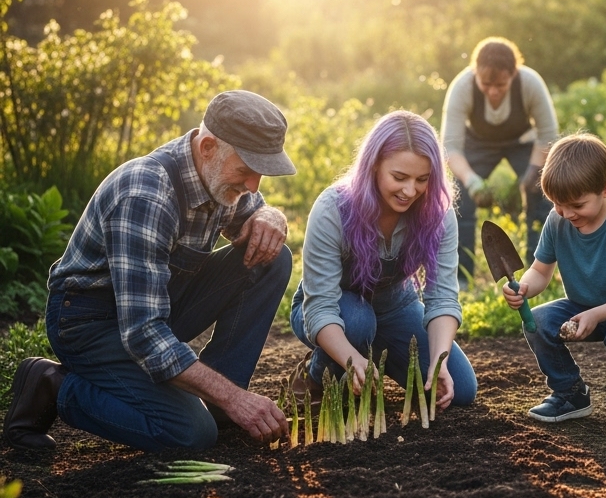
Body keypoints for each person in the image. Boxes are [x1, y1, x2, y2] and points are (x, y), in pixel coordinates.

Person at [3, 90, 296, 453]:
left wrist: (270, 216)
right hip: (91, 323)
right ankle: (53, 385)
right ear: (207, 148)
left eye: (261, 174)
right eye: (247, 170)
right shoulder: (146, 195)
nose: (253, 185)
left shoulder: (219, 176)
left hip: (157, 305)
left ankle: (220, 405)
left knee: (273, 257)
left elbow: (252, 214)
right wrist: (237, 398)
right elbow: (144, 334)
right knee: (190, 433)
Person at [289, 110, 477, 412]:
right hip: (337, 309)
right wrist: (352, 360)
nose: (410, 191)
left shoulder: (438, 213)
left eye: (422, 179)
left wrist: (438, 361)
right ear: (374, 165)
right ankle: (316, 375)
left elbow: (442, 297)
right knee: (358, 320)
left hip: (395, 306)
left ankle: (373, 351)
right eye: (399, 177)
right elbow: (320, 306)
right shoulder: (333, 209)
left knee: (461, 390)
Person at [502, 133, 606, 436]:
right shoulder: (557, 220)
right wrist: (523, 288)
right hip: (584, 304)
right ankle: (570, 394)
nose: (567, 213)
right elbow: (540, 270)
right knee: (537, 321)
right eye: (557, 204)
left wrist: (598, 314)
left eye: (576, 204)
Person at [440, 37, 558, 288]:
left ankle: (539, 273)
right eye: (486, 84)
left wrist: (533, 174)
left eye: (501, 84)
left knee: (542, 192)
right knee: (459, 196)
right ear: (475, 73)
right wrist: (472, 182)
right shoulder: (462, 87)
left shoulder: (530, 83)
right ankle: (462, 277)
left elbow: (548, 136)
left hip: (523, 142)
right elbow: (450, 147)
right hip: (478, 143)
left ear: (513, 74)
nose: (493, 91)